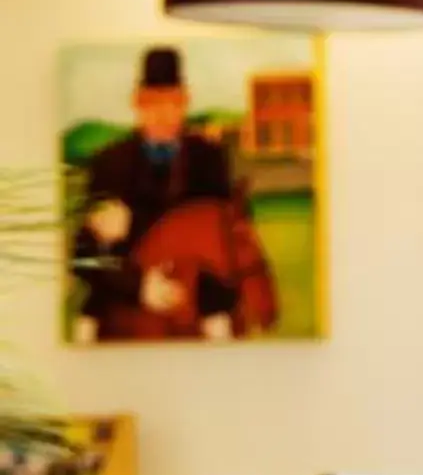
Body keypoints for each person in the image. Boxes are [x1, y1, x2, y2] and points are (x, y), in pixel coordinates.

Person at [71, 46, 275, 344]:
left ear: (185, 101)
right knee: (83, 334)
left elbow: (231, 228)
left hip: (202, 296)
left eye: (173, 103)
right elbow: (83, 254)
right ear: (137, 103)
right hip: (127, 291)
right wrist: (138, 286)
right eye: (153, 103)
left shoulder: (210, 158)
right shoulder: (108, 162)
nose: (164, 114)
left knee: (224, 335)